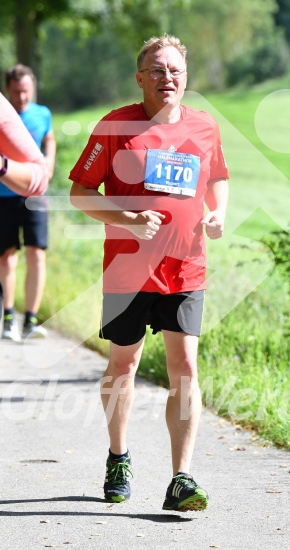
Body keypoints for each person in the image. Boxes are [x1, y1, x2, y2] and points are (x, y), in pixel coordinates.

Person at [69, 34, 229, 511]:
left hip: (186, 267)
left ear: (186, 78)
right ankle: (119, 456)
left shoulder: (203, 128)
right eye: (157, 70)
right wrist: (128, 220)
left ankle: (181, 478)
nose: (167, 78)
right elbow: (80, 192)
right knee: (124, 366)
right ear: (140, 79)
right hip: (128, 270)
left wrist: (218, 212)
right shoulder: (115, 126)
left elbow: (217, 177)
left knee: (185, 368)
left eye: (175, 70)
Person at [0, 65, 56, 342]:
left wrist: (50, 164)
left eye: (26, 91)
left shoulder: (42, 113)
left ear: (32, 88)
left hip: (34, 196)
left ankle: (31, 320)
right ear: (8, 90)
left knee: (36, 253)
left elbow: (49, 138)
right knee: (7, 255)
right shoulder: (4, 114)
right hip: (3, 195)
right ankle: (9, 316)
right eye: (16, 92)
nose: (21, 97)